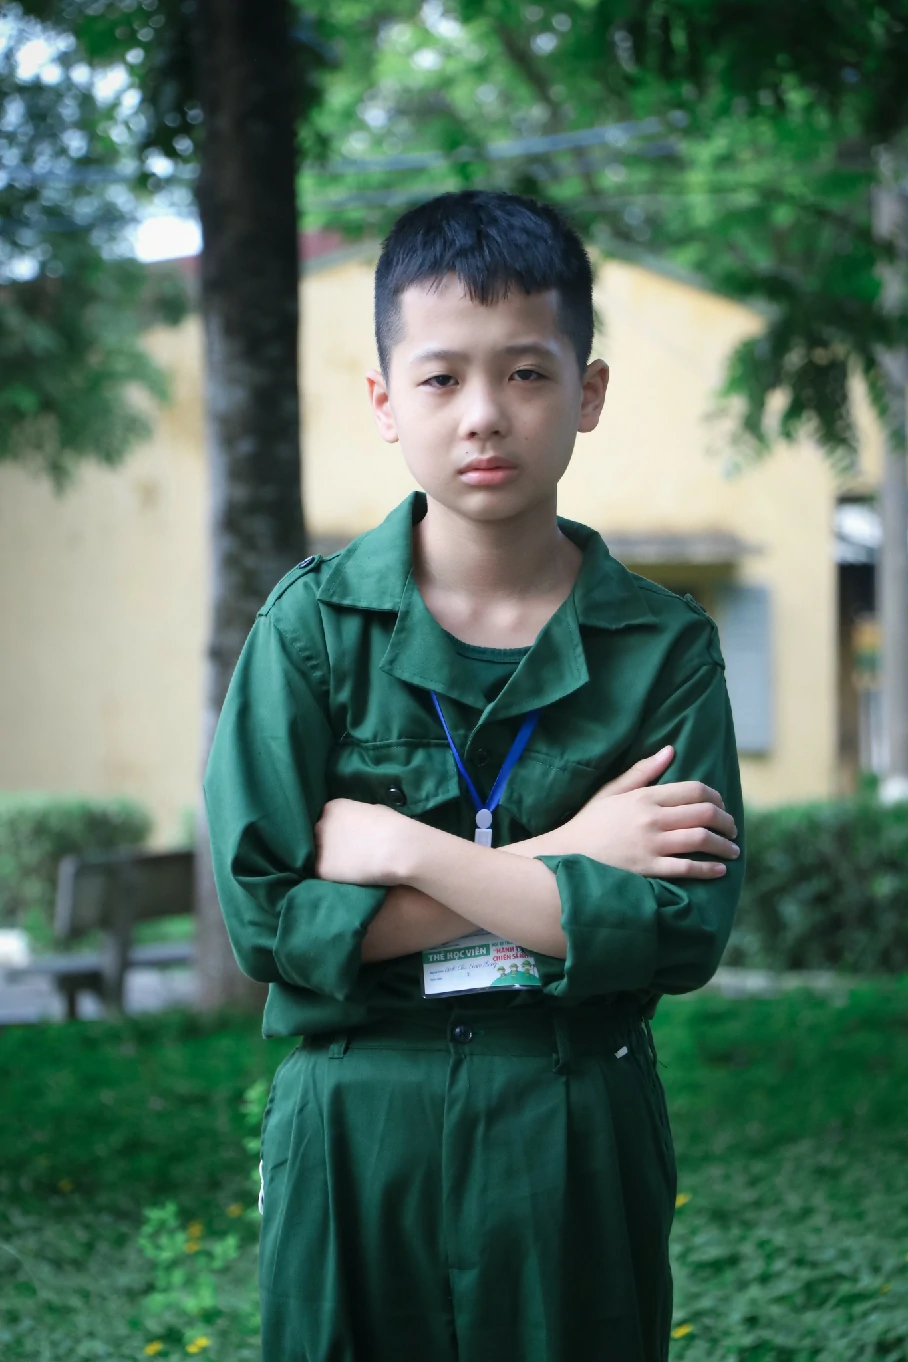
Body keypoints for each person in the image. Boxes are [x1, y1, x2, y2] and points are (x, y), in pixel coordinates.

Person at [203, 189, 746, 1362]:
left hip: (571, 1116)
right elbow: (267, 922)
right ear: (384, 402)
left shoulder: (661, 649)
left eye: (526, 373)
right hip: (356, 1119)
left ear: (586, 392)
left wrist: (404, 851)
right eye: (441, 377)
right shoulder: (310, 631)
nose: (484, 415)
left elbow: (677, 932)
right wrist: (571, 858)